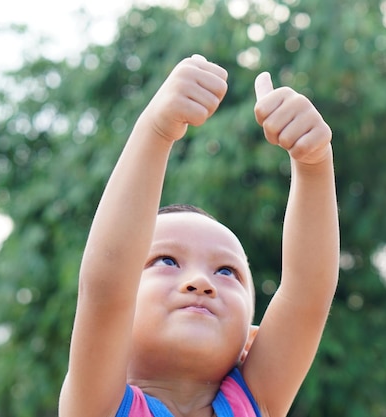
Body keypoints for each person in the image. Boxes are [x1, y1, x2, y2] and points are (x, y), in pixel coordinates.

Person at [58, 54, 339, 417]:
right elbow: (106, 286)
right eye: (166, 261)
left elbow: (307, 295)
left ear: (251, 340)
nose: (200, 282)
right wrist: (156, 130)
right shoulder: (96, 405)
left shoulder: (254, 404)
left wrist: (314, 162)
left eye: (226, 272)